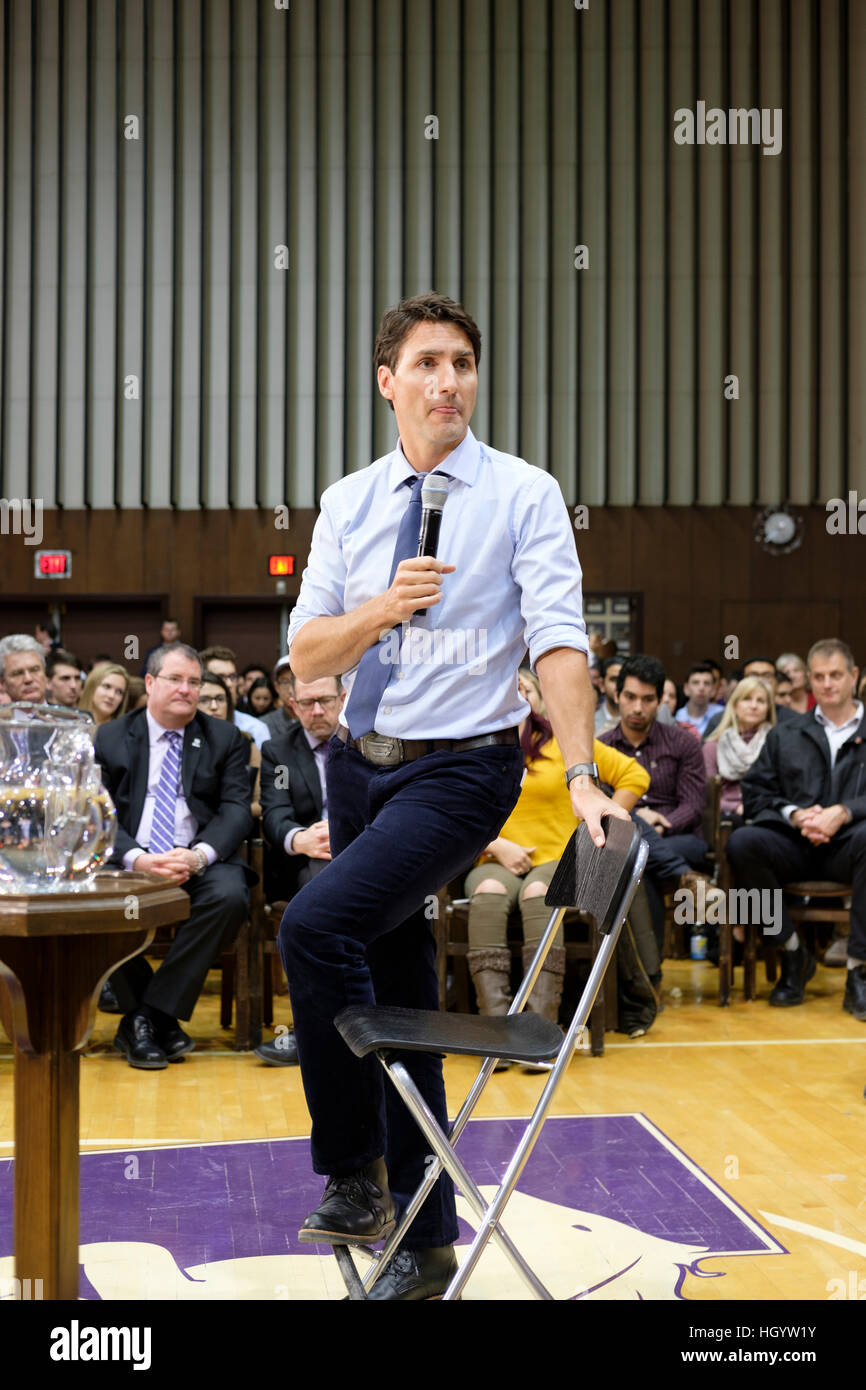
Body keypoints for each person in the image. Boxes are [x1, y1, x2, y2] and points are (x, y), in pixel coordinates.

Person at [278, 291, 629, 1301]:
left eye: (462, 363)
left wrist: (577, 771)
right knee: (397, 994)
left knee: (313, 927)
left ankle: (353, 1175)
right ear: (386, 381)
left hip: (461, 768)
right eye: (426, 363)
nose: (447, 382)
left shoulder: (522, 492)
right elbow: (307, 654)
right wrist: (383, 608)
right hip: (358, 763)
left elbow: (559, 639)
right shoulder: (348, 502)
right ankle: (428, 1244)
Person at [465, 677, 649, 1064]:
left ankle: (538, 1035)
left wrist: (600, 821)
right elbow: (451, 810)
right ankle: (494, 1039)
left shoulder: (562, 745)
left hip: (557, 858)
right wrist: (497, 845)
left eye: (525, 689)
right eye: (506, 686)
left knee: (538, 894)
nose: (515, 694)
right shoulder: (471, 744)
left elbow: (635, 775)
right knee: (488, 895)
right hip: (493, 857)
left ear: (538, 700)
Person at [94, 642, 254, 1068]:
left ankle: (145, 1018)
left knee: (230, 895)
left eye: (194, 682)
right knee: (94, 900)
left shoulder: (224, 738)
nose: (187, 690)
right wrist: (137, 858)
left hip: (197, 861)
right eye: (175, 680)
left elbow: (237, 809)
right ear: (150, 683)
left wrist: (198, 855)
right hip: (130, 860)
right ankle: (155, 1018)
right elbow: (97, 813)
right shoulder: (111, 738)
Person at [725, 639, 866, 1013]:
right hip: (797, 844)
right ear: (809, 680)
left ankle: (858, 971)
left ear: (853, 676)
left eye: (836, 675)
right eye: (818, 676)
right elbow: (756, 792)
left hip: (851, 847)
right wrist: (796, 814)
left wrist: (844, 812)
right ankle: (791, 952)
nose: (827, 683)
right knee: (743, 842)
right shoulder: (786, 732)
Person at [256, 673, 347, 1067]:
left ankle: (380, 1022)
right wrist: (300, 838)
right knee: (318, 892)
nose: (317, 711)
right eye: (306, 703)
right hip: (305, 861)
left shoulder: (367, 741)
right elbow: (274, 813)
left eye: (325, 701)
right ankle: (314, 1028)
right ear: (292, 706)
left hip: (363, 850)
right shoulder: (278, 751)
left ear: (343, 698)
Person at [600, 654, 719, 952]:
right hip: (627, 841)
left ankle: (647, 976)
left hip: (680, 837)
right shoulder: (602, 747)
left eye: (647, 699)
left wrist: (662, 824)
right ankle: (685, 879)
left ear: (660, 701)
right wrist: (642, 817)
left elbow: (693, 805)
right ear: (617, 696)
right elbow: (604, 807)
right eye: (630, 697)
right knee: (640, 861)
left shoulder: (684, 743)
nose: (638, 707)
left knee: (640, 859)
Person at [703, 677, 776, 823]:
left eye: (760, 701)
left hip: (765, 811)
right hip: (727, 816)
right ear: (735, 705)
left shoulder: (776, 745)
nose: (754, 706)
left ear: (768, 709)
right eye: (747, 699)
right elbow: (706, 796)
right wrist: (735, 807)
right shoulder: (712, 747)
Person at [197, 670, 261, 819]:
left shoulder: (246, 743)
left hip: (236, 827)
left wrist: (229, 815)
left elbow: (262, 802)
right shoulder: (179, 742)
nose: (214, 706)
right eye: (204, 700)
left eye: (220, 699)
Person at [199, 646, 271, 750]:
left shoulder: (254, 729)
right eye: (220, 677)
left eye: (232, 677)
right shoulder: (187, 727)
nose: (229, 684)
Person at [675, 663, 725, 738]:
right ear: (686, 689)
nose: (701, 688)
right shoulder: (677, 717)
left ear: (713, 690)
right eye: (696, 683)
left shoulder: (723, 715)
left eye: (707, 683)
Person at [78, 663, 130, 727]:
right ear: (91, 687)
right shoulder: (69, 721)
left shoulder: (123, 733)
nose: (111, 696)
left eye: (119, 692)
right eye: (106, 687)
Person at [0, 635, 48, 703]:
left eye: (34, 670)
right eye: (17, 673)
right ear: (2, 683)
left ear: (45, 673)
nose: (28, 679)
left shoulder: (66, 713)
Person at [260, 657, 297, 738]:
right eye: (285, 682)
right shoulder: (263, 725)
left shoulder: (317, 719)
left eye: (296, 680)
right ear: (277, 687)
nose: (291, 689)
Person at [594, 657, 623, 735]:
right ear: (602, 685)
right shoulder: (589, 722)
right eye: (614, 680)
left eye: (623, 680)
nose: (618, 685)